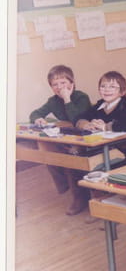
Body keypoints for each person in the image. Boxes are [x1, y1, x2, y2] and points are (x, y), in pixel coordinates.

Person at [29, 65, 92, 215]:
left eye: (63, 83)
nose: (59, 87)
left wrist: (67, 99)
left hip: (86, 138)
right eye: (55, 84)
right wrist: (37, 119)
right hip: (67, 137)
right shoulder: (53, 101)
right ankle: (67, 186)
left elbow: (76, 119)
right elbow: (35, 113)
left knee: (69, 157)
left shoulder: (81, 97)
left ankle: (79, 197)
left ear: (72, 83)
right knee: (49, 154)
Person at [75, 70, 126, 166]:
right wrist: (86, 124)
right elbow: (80, 117)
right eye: (103, 86)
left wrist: (104, 127)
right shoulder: (100, 105)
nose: (106, 90)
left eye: (112, 87)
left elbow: (124, 125)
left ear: (122, 92)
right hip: (107, 147)